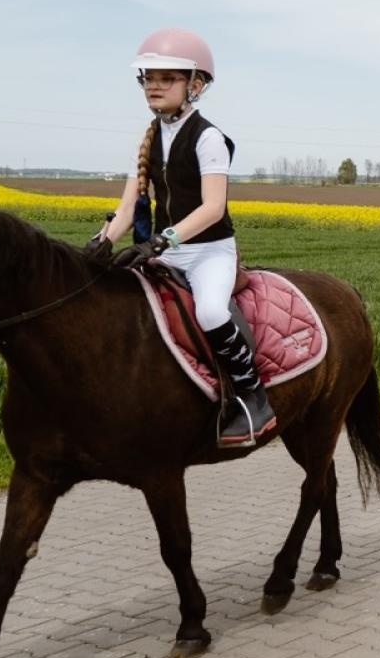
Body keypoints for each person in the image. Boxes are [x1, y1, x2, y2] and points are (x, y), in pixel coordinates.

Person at [86, 29, 276, 448]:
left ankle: (252, 396)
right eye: (147, 78)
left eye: (165, 78)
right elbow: (129, 203)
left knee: (210, 311)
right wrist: (103, 238)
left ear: (196, 85)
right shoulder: (150, 137)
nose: (153, 86)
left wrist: (160, 241)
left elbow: (212, 207)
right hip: (168, 252)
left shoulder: (208, 138)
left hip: (208, 252)